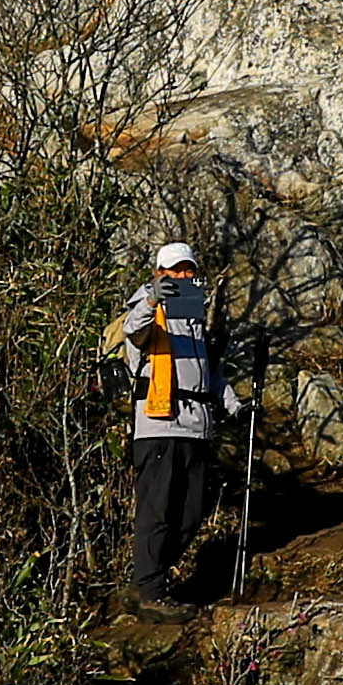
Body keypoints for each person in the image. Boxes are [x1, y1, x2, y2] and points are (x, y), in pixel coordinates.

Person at [106, 238, 228, 602]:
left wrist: (235, 404)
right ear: (159, 273)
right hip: (158, 426)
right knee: (156, 513)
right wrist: (153, 299)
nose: (183, 276)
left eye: (188, 270)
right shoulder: (145, 311)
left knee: (191, 514)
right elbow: (134, 330)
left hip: (196, 428)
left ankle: (150, 577)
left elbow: (209, 373)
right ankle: (149, 591)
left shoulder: (195, 319)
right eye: (175, 270)